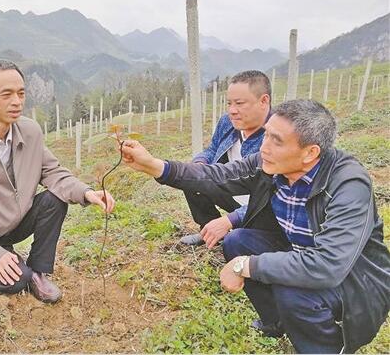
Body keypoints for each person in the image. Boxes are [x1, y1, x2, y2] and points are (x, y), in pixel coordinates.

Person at [120, 99, 390, 353]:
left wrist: (245, 265)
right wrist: (154, 166)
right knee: (238, 241)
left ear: (310, 152)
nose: (264, 147)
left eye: (277, 141)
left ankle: (326, 348)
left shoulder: (347, 185)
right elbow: (215, 176)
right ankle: (277, 323)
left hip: (354, 280)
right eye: (266, 135)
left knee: (291, 292)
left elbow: (327, 265)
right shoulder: (271, 165)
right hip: (299, 251)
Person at [0, 60, 115, 303]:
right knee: (16, 282)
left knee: (55, 200)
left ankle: (38, 271)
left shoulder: (30, 131)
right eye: (7, 94)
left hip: (16, 222)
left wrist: (86, 192)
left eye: (21, 93)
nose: (16, 101)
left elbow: (52, 172)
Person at [180, 70, 271, 247]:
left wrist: (231, 219)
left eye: (239, 103)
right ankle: (209, 231)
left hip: (261, 207)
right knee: (191, 178)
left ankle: (240, 230)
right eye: (229, 103)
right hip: (232, 189)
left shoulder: (276, 136)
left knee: (237, 241)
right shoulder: (227, 123)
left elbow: (273, 198)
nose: (232, 110)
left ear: (263, 101)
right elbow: (212, 149)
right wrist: (200, 163)